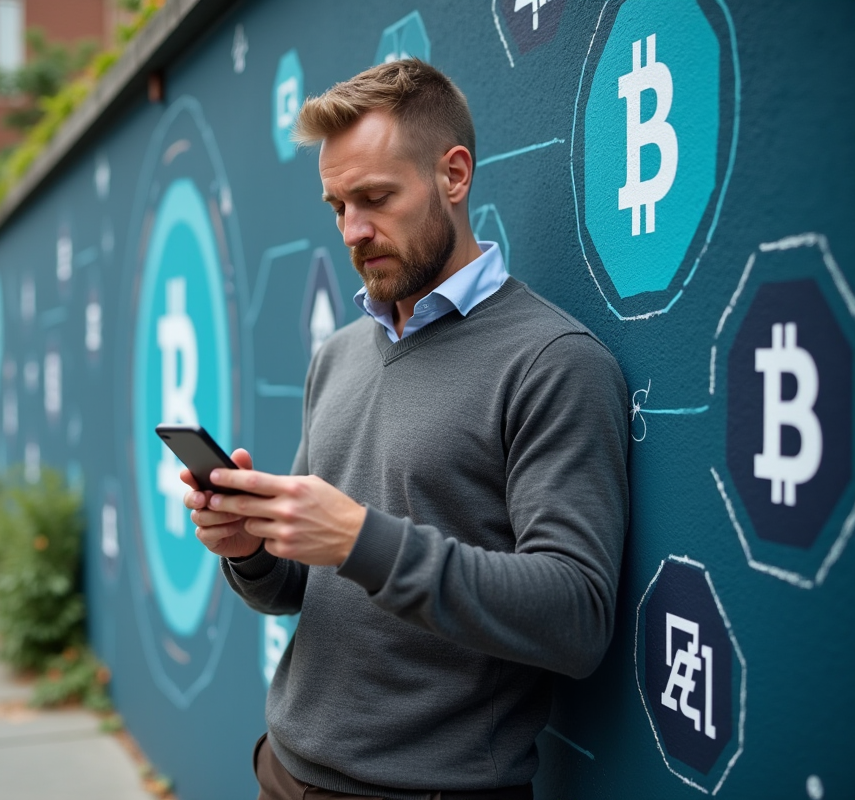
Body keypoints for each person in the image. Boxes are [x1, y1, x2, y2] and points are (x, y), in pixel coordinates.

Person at [183, 60, 629, 800]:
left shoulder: (553, 362)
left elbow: (577, 616)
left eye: (376, 198)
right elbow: (305, 586)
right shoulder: (339, 353)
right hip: (283, 769)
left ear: (454, 175)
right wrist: (253, 551)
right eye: (336, 206)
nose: (353, 231)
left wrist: (362, 539)